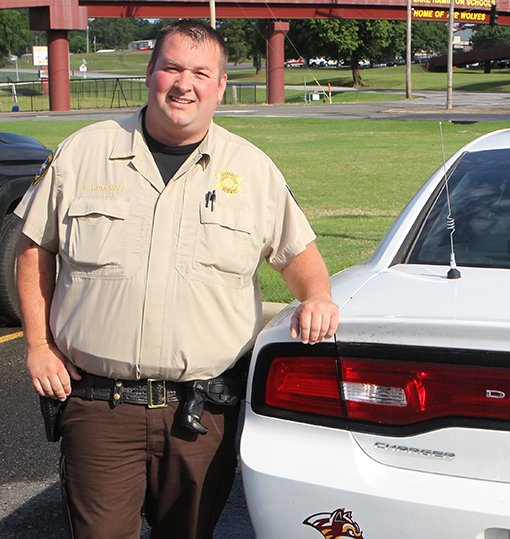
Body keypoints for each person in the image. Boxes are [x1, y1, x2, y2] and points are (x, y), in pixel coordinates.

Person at [16, 19, 339, 539]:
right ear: (150, 73)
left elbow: (299, 257)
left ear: (220, 86)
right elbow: (34, 250)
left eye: (200, 72)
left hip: (202, 413)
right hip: (100, 407)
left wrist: (318, 297)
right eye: (171, 67)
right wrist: (37, 344)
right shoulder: (83, 152)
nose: (183, 84)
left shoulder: (252, 170)